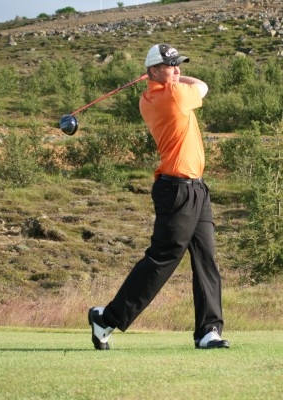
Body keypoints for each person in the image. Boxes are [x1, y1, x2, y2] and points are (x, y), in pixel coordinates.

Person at [88, 44, 229, 350]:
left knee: (206, 258)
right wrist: (177, 80)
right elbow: (203, 85)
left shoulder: (148, 97)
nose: (177, 71)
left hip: (196, 188)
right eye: (171, 66)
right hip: (177, 190)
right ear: (153, 70)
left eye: (179, 65)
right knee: (163, 258)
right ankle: (107, 318)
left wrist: (168, 76)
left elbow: (186, 84)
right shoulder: (174, 95)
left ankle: (208, 331)